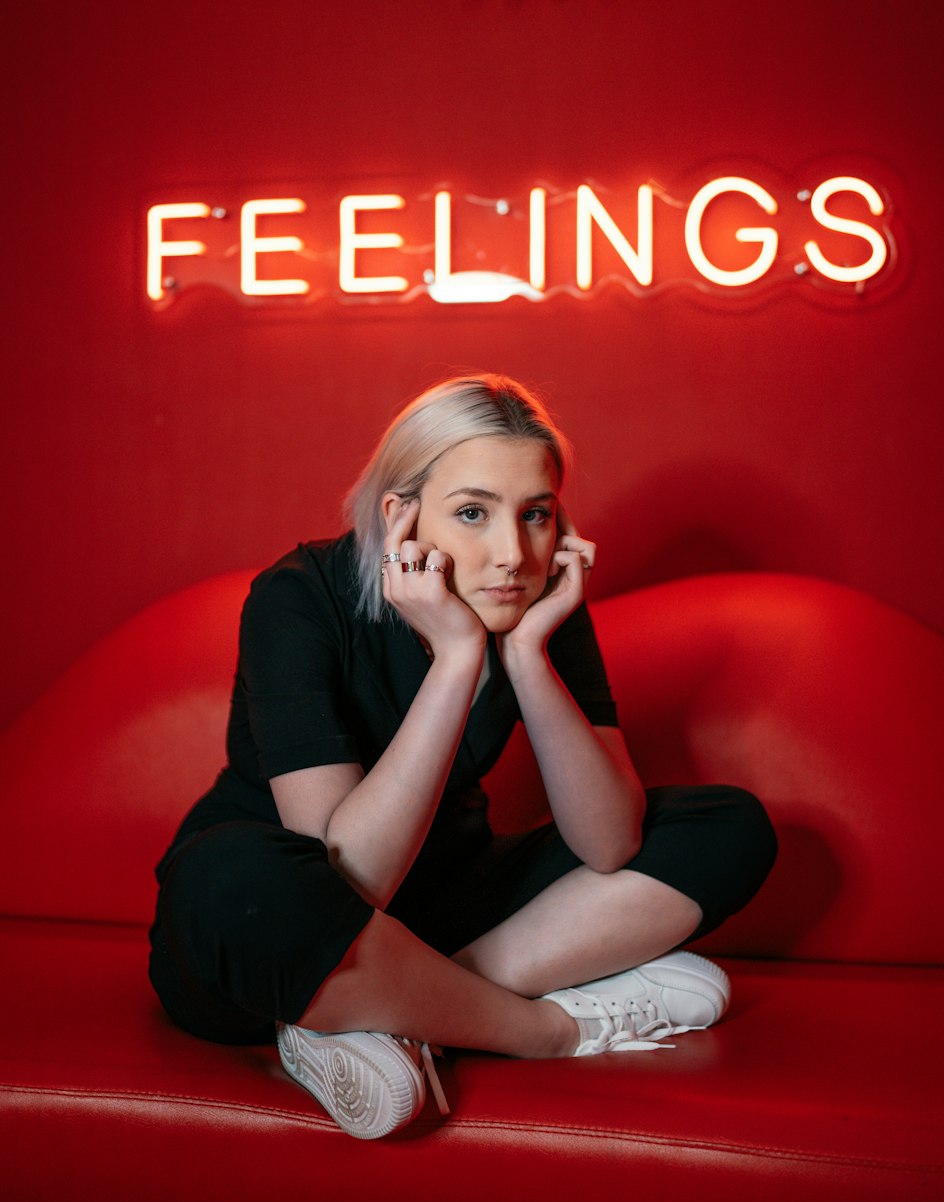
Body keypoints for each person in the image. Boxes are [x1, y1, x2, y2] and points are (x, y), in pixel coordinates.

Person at [148, 373, 777, 1140]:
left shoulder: (535, 600)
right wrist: (453, 660)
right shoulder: (297, 597)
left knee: (728, 825)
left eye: (536, 515)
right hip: (274, 927)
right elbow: (347, 878)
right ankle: (540, 1027)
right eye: (473, 513)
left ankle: (383, 1015)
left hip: (441, 900)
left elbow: (610, 843)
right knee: (232, 881)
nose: (512, 553)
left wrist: (530, 659)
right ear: (401, 517)